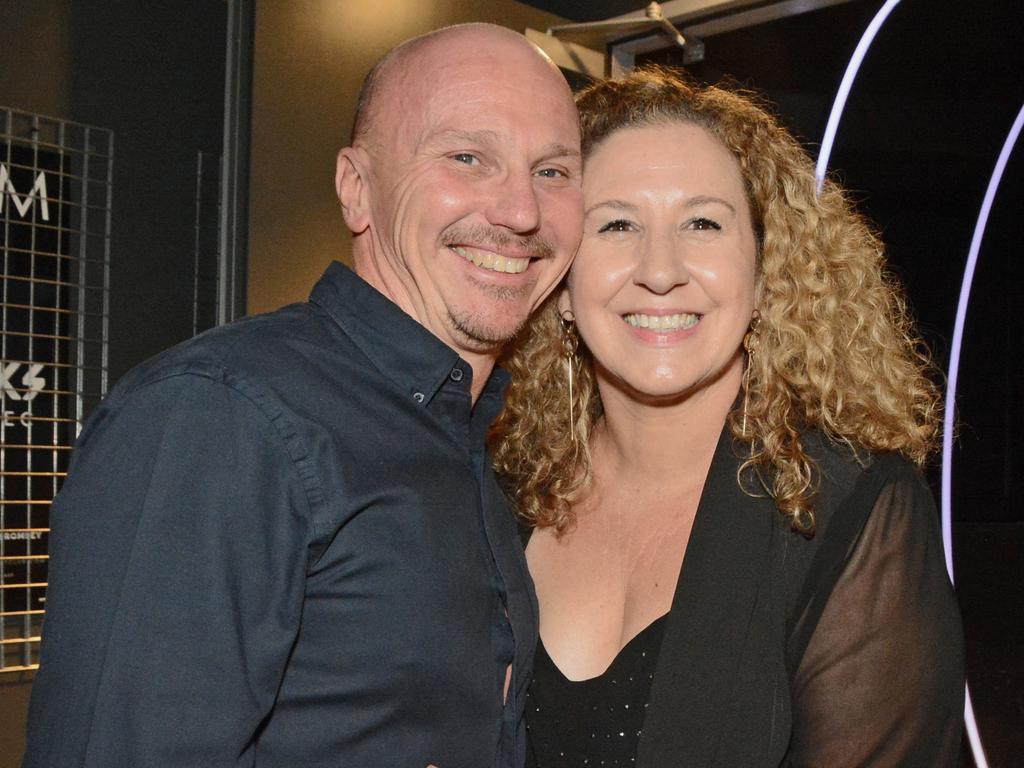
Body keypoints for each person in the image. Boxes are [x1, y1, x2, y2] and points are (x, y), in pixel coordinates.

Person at [23, 24, 583, 768]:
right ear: (357, 188)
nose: (520, 211)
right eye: (466, 157)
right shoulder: (222, 415)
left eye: (552, 171)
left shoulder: (464, 433)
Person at [491, 67, 965, 767]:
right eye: (617, 224)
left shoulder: (854, 511)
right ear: (561, 282)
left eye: (703, 223)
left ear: (764, 271)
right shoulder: (503, 487)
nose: (660, 269)